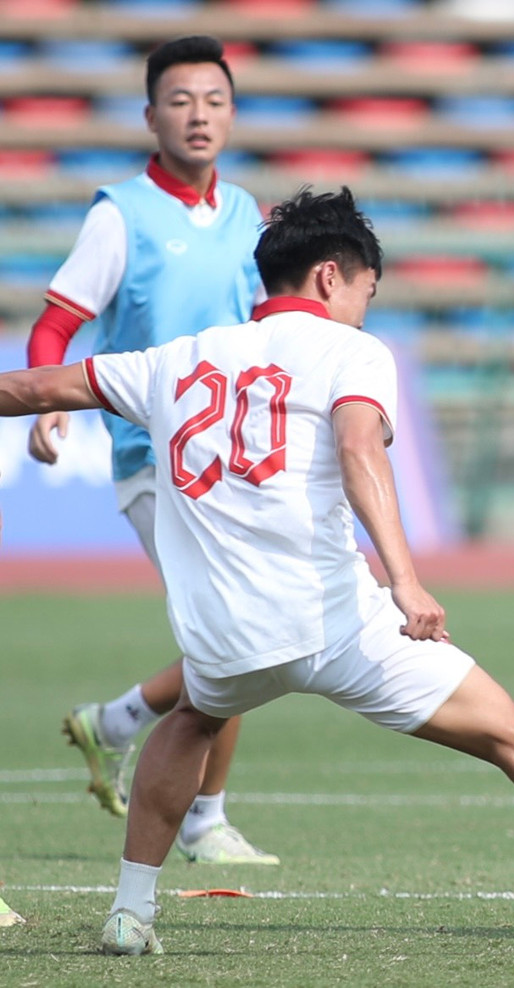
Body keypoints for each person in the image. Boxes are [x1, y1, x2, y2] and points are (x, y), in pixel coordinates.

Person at [0, 187, 514, 956]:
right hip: (338, 619)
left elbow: (32, 386)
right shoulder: (348, 349)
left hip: (223, 632)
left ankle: (131, 912)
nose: (365, 307)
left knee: (191, 721)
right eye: (366, 290)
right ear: (330, 276)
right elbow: (358, 450)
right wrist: (406, 579)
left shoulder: (171, 360)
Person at [24, 35, 277, 865]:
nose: (197, 115)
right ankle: (201, 818)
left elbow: (271, 328)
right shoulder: (119, 214)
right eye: (180, 100)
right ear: (150, 116)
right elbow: (60, 321)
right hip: (153, 458)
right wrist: (43, 399)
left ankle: (119, 725)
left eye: (212, 99)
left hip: (237, 455)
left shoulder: (247, 215)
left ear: (232, 114)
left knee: (242, 625)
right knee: (237, 623)